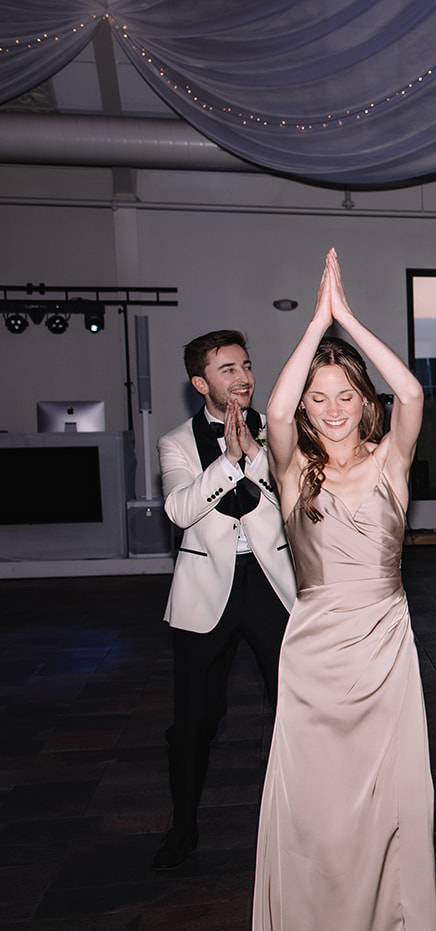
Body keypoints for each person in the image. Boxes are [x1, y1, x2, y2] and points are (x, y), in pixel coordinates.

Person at [252, 250, 436, 931]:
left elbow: (415, 390)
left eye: (344, 393)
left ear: (364, 399)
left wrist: (350, 320)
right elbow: (271, 412)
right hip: (315, 660)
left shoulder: (392, 460)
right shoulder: (294, 473)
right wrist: (314, 326)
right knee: (317, 824)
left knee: (394, 815)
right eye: (318, 397)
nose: (329, 407)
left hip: (387, 652)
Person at [153, 330, 296, 870]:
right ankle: (182, 827)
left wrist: (253, 454)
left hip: (270, 584)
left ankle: (304, 819)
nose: (242, 378)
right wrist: (228, 463)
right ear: (200, 383)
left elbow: (292, 495)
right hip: (203, 592)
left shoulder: (281, 430)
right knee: (192, 722)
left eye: (246, 366)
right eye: (227, 370)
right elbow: (179, 510)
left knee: (294, 707)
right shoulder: (175, 443)